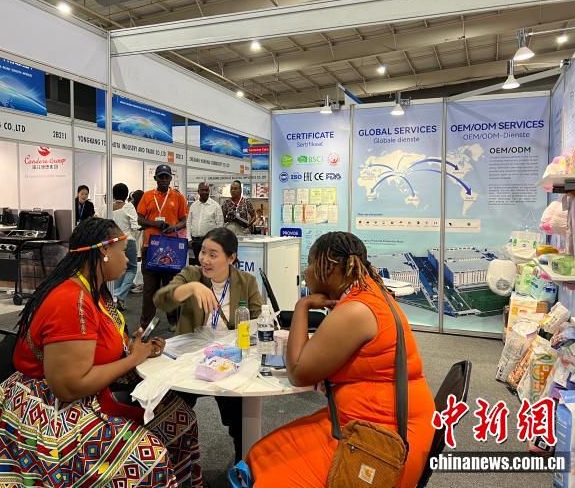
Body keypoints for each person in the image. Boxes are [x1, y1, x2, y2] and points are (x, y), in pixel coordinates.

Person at [0, 217, 202, 487]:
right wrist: (133, 358)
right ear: (104, 250)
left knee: (181, 419)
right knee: (148, 459)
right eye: (123, 251)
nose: (128, 259)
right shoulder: (70, 300)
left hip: (88, 394)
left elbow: (98, 347)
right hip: (50, 407)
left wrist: (134, 348)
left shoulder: (94, 290)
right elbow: (69, 387)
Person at [246, 232, 435, 488]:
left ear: (330, 267)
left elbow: (298, 372)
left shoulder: (356, 310)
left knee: (268, 468)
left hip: (383, 442)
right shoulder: (367, 294)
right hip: (367, 420)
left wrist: (302, 306)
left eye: (310, 263)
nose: (306, 271)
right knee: (263, 452)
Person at [154, 227, 263, 463]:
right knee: (171, 411)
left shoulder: (246, 281)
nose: (205, 259)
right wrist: (191, 288)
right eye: (203, 252)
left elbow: (257, 320)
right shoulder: (191, 274)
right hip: (190, 360)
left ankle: (242, 465)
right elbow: (162, 299)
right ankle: (169, 465)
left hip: (229, 361)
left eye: (213, 255)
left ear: (231, 258)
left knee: (239, 417)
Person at [136, 164, 188, 330]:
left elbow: (184, 220)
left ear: (171, 178)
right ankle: (145, 324)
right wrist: (156, 224)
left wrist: (175, 227)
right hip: (150, 248)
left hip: (171, 248)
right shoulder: (147, 196)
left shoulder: (178, 197)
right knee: (149, 289)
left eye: (167, 176)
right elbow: (140, 219)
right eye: (161, 177)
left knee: (171, 287)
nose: (164, 180)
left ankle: (174, 321)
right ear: (155, 178)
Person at [112, 183, 139, 311]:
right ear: (127, 194)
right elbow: (135, 226)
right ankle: (120, 295)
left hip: (114, 243)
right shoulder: (128, 207)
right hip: (128, 241)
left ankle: (116, 298)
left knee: (118, 270)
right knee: (131, 269)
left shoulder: (106, 208)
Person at [187, 182, 224, 263]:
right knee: (197, 264)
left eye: (206, 190)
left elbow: (220, 225)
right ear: (198, 191)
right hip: (195, 242)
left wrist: (215, 240)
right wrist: (189, 239)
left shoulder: (216, 206)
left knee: (209, 263)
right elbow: (189, 222)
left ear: (209, 191)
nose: (204, 192)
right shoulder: (193, 205)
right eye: (202, 190)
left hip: (209, 241)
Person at [130, 189, 145, 294]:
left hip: (140, 236)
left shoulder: (137, 210)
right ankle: (138, 283)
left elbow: (137, 225)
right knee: (138, 259)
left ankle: (140, 284)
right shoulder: (138, 208)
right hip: (139, 236)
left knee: (139, 260)